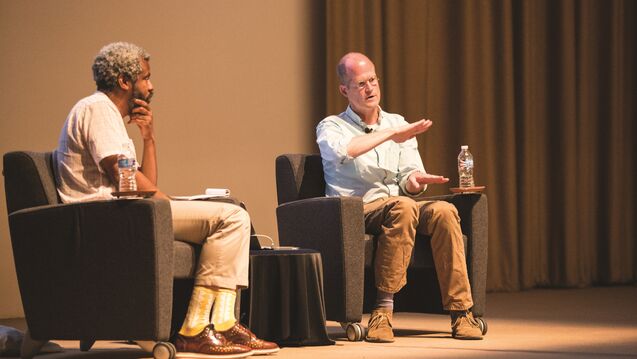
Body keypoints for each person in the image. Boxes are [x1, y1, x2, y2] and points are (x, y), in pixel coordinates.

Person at [54, 42, 279, 358]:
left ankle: (221, 321)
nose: (151, 86)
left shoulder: (109, 115)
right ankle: (196, 329)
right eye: (145, 78)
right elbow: (122, 178)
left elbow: (142, 182)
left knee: (230, 212)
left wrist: (149, 138)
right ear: (123, 81)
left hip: (126, 211)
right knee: (231, 218)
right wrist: (163, 202)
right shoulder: (98, 109)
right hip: (106, 218)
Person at [316, 52, 484, 342]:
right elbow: (347, 151)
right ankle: (383, 311)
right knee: (403, 207)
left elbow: (408, 178)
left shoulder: (397, 122)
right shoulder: (331, 126)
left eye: (372, 81)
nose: (370, 89)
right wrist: (390, 134)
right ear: (344, 90)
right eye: (360, 84)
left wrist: (416, 181)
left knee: (443, 210)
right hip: (357, 210)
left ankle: (462, 313)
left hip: (400, 205)